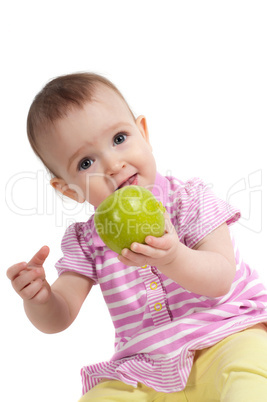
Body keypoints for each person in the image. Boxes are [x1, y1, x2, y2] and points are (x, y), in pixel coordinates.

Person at [7, 72, 267, 401]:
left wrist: (175, 258)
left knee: (251, 371)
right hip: (145, 369)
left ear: (143, 133)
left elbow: (220, 278)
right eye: (86, 162)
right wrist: (40, 299)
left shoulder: (190, 200)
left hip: (226, 335)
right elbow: (59, 316)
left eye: (119, 139)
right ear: (68, 190)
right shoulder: (87, 241)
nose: (114, 164)